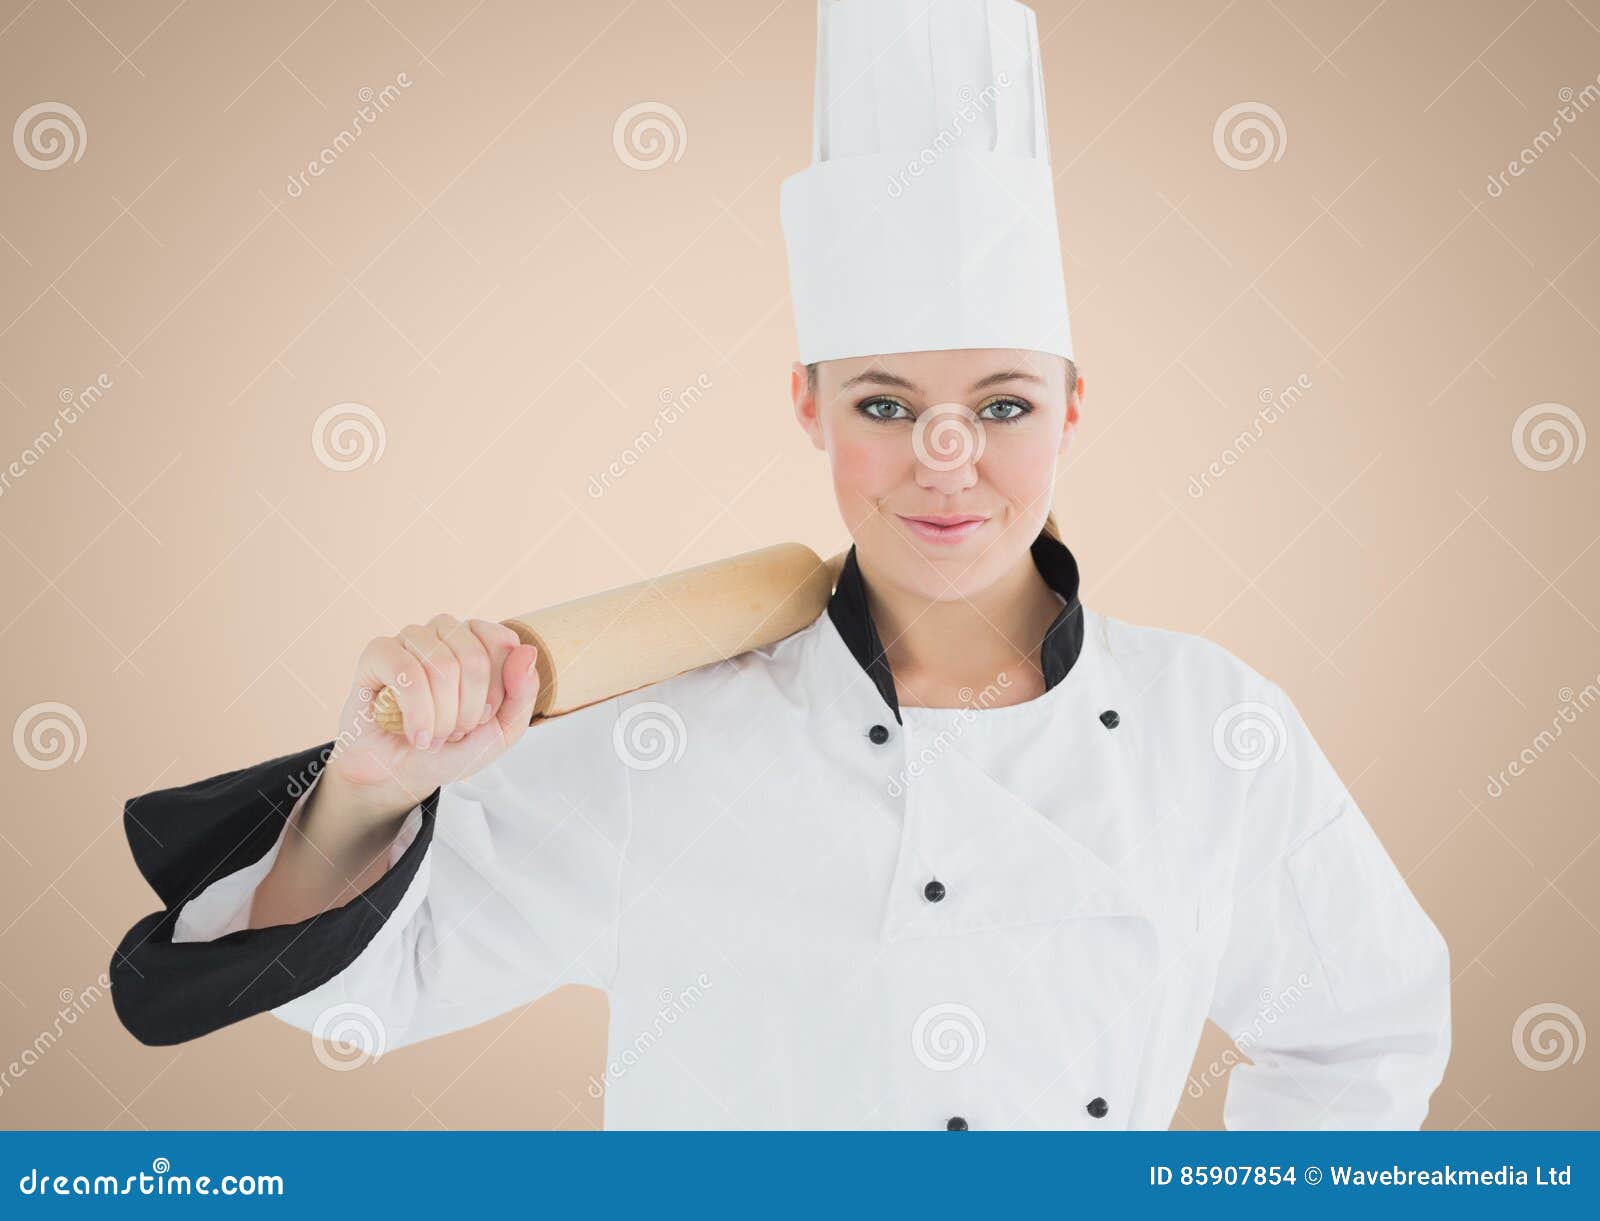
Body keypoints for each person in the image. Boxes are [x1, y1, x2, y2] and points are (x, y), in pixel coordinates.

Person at [109, 0, 1451, 1129]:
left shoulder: (1209, 728)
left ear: (1075, 409)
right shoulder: (666, 732)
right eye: (881, 403)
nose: (946, 457)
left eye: (1001, 404)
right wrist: (366, 787)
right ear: (807, 407)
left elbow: (1368, 1037)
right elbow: (351, 991)